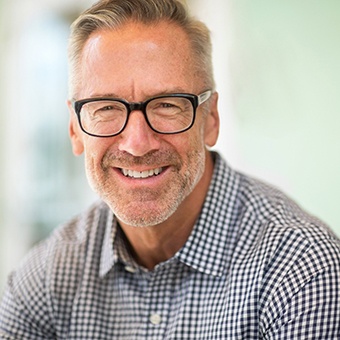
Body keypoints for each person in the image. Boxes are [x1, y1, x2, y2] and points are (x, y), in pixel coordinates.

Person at [1, 0, 339, 338]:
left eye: (166, 105)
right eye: (105, 107)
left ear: (211, 119)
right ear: (75, 129)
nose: (137, 143)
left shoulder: (302, 268)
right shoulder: (47, 278)